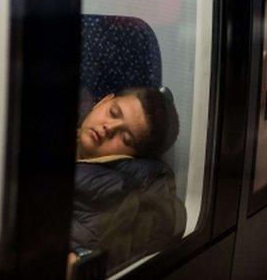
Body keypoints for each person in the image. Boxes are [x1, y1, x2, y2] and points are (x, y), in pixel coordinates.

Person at [70, 87, 185, 274]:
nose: (109, 127)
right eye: (113, 112)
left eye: (125, 137)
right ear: (103, 101)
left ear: (131, 156)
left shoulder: (115, 193)